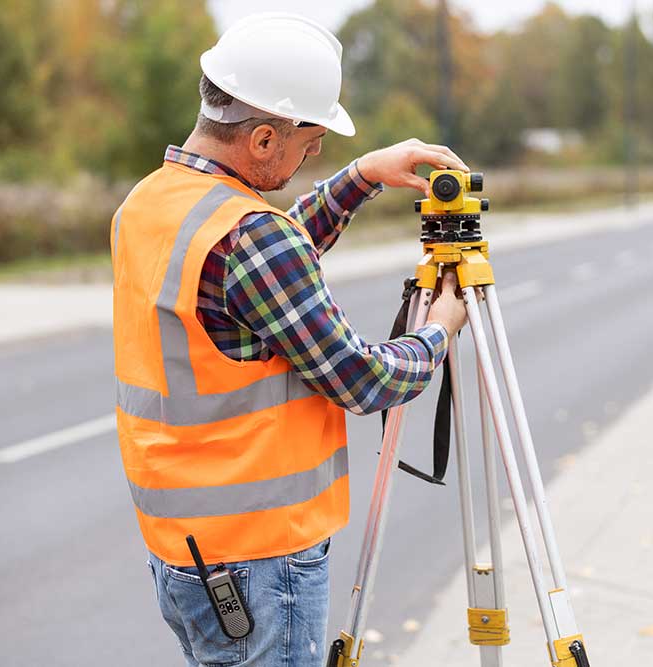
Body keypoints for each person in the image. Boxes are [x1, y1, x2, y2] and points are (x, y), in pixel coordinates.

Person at [110, 12, 468, 667]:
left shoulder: (149, 205)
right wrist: (438, 331)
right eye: (314, 138)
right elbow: (361, 379)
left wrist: (361, 177)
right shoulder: (250, 238)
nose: (316, 153)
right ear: (267, 137)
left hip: (187, 557)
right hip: (260, 561)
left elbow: (268, 273)